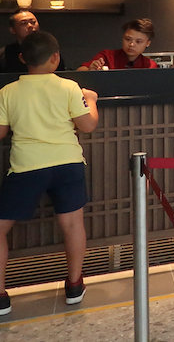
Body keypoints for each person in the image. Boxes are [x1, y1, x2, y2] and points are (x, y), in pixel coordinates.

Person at [0, 31, 100, 316]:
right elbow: (88, 125)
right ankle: (74, 286)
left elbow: (1, 131)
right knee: (72, 224)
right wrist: (90, 99)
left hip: (26, 167)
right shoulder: (70, 87)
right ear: (56, 58)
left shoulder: (7, 92)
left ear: (22, 59)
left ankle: (1, 299)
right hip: (68, 163)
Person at [78, 18, 158, 70]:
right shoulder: (107, 56)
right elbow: (79, 72)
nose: (131, 44)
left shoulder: (150, 66)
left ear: (148, 43)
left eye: (138, 41)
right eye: (128, 39)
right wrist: (90, 69)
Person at [0, 10, 65, 74]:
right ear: (13, 30)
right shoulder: (4, 54)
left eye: (33, 22)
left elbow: (61, 73)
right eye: (24, 23)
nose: (30, 26)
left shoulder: (50, 50)